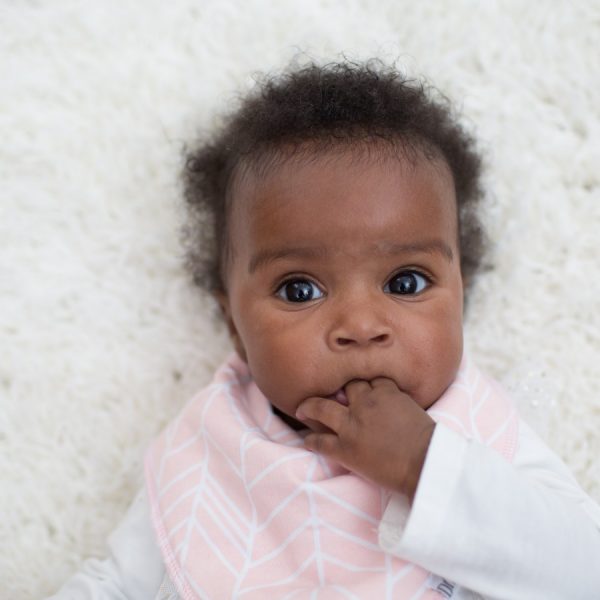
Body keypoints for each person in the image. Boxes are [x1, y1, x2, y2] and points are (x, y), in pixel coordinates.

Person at [49, 59, 600, 600]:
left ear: (461, 296)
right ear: (234, 327)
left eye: (406, 282)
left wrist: (425, 464)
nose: (360, 327)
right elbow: (115, 581)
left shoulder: (479, 431)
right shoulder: (214, 444)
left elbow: (585, 573)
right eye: (300, 291)